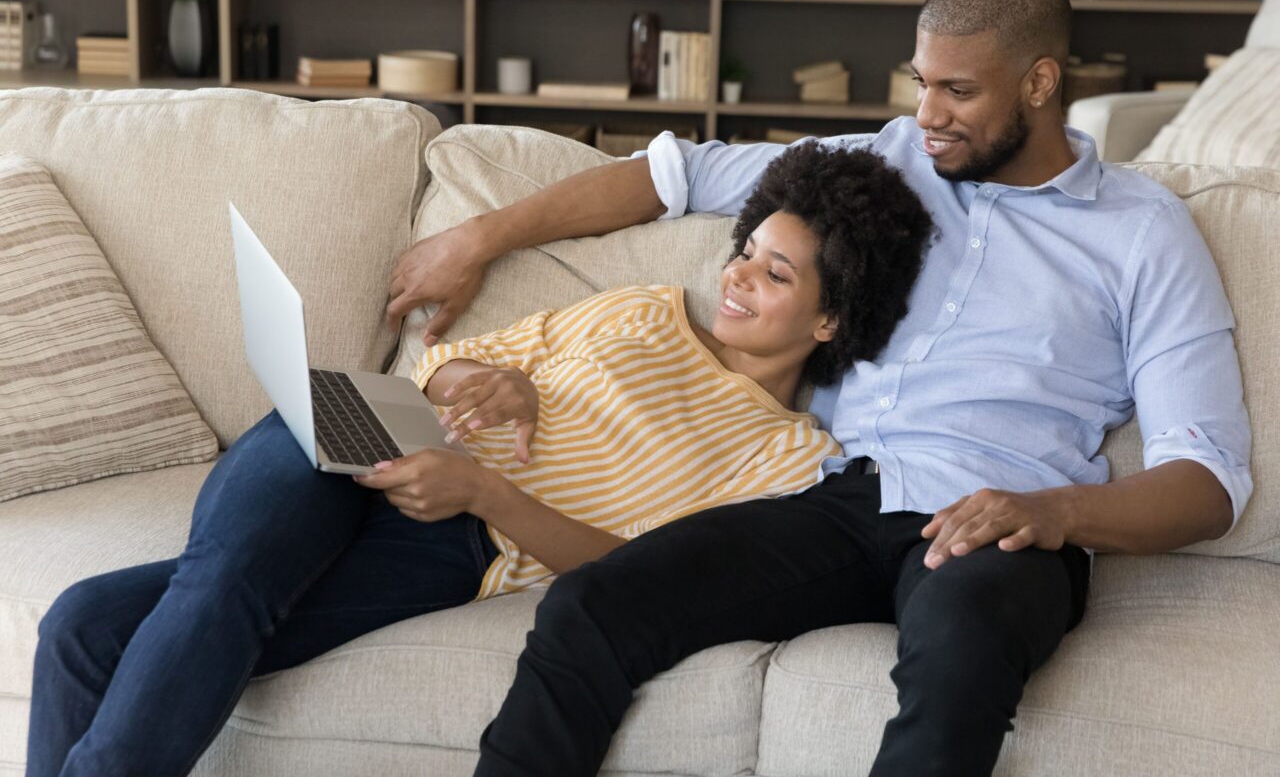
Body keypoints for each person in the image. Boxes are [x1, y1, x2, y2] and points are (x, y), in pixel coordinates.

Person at [382, 0, 1253, 777]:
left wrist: (1052, 512)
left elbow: (1208, 482)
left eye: (959, 91)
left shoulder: (1143, 233)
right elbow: (668, 176)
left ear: (1040, 83)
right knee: (591, 607)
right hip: (837, 501)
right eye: (922, 83)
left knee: (961, 654)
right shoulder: (882, 167)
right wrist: (479, 237)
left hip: (1003, 522)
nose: (929, 115)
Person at [25, 143, 932, 777]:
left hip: (454, 539)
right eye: (747, 253)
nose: (737, 277)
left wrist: (484, 490)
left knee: (83, 625)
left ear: (831, 320)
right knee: (224, 585)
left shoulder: (785, 459)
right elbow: (435, 366)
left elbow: (639, 578)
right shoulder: (648, 310)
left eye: (776, 276)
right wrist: (495, 381)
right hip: (374, 422)